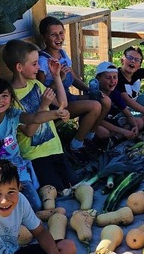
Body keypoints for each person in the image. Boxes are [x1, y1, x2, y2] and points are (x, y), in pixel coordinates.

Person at [0, 77, 70, 211]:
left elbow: (34, 118)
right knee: (1, 206)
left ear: (11, 99)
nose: (0, 100)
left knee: (35, 206)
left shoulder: (12, 115)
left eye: (4, 96)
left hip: (18, 170)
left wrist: (56, 113)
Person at [2, 39, 78, 192]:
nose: (38, 67)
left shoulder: (36, 84)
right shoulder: (10, 98)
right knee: (53, 192)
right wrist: (43, 106)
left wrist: (56, 76)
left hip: (55, 148)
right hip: (35, 156)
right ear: (19, 67)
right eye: (34, 64)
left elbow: (62, 104)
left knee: (73, 187)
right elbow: (29, 132)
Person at [36, 16, 108, 163]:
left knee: (104, 100)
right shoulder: (43, 61)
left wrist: (89, 90)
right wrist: (59, 79)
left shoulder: (63, 55)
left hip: (68, 97)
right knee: (94, 106)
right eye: (53, 34)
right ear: (44, 37)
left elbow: (74, 79)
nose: (59, 37)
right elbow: (40, 92)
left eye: (61, 33)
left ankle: (89, 139)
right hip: (55, 105)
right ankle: (75, 147)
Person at [91, 61, 142, 144]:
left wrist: (134, 126)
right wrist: (123, 131)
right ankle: (114, 138)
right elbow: (99, 120)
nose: (112, 81)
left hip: (111, 121)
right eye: (108, 78)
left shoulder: (115, 93)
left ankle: (114, 139)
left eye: (115, 77)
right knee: (102, 131)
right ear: (98, 79)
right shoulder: (95, 94)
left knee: (138, 122)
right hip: (96, 122)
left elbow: (127, 113)